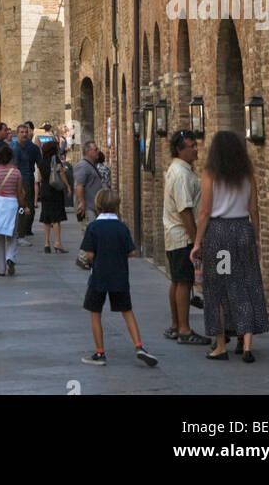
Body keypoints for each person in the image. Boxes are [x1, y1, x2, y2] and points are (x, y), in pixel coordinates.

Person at [190, 130, 269, 362]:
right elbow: (254, 210)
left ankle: (220, 345)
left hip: (220, 235)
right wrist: (256, 238)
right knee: (245, 284)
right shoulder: (247, 174)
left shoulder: (210, 174)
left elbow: (204, 212)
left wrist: (197, 243)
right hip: (243, 231)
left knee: (218, 288)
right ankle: (246, 344)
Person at [80, 189, 157, 368]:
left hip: (98, 276)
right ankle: (139, 346)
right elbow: (132, 251)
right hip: (120, 276)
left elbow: (89, 254)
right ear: (117, 206)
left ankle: (100, 353)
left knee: (95, 313)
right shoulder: (122, 227)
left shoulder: (93, 227)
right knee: (127, 311)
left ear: (98, 206)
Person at [162, 130, 210, 346]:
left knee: (177, 280)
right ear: (180, 149)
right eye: (192, 146)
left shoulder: (178, 169)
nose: (196, 149)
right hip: (182, 236)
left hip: (174, 234)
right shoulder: (181, 174)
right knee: (184, 281)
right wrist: (196, 242)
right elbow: (185, 210)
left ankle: (175, 325)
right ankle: (184, 329)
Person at [0, 144, 27, 275]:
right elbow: (19, 192)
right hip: (12, 205)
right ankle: (11, 258)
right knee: (13, 235)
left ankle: (1, 269)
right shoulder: (16, 173)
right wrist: (23, 205)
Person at [35, 137, 71, 252]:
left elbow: (39, 178)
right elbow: (61, 174)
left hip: (45, 190)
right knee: (56, 218)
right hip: (55, 191)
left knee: (46, 217)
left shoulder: (40, 162)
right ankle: (57, 242)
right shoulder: (56, 161)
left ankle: (46, 244)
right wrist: (68, 186)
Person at [74, 139, 105, 268]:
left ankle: (88, 258)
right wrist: (82, 203)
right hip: (87, 207)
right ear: (88, 152)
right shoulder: (83, 166)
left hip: (93, 205)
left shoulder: (90, 165)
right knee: (89, 233)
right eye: (95, 149)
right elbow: (79, 186)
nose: (98, 152)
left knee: (91, 232)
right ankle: (82, 258)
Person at [13, 123, 41, 240]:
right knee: (22, 206)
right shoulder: (16, 149)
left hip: (28, 178)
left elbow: (39, 162)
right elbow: (14, 168)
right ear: (17, 134)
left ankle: (24, 230)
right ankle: (20, 233)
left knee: (28, 205)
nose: (24, 134)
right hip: (21, 180)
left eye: (26, 132)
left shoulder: (30, 148)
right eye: (22, 132)